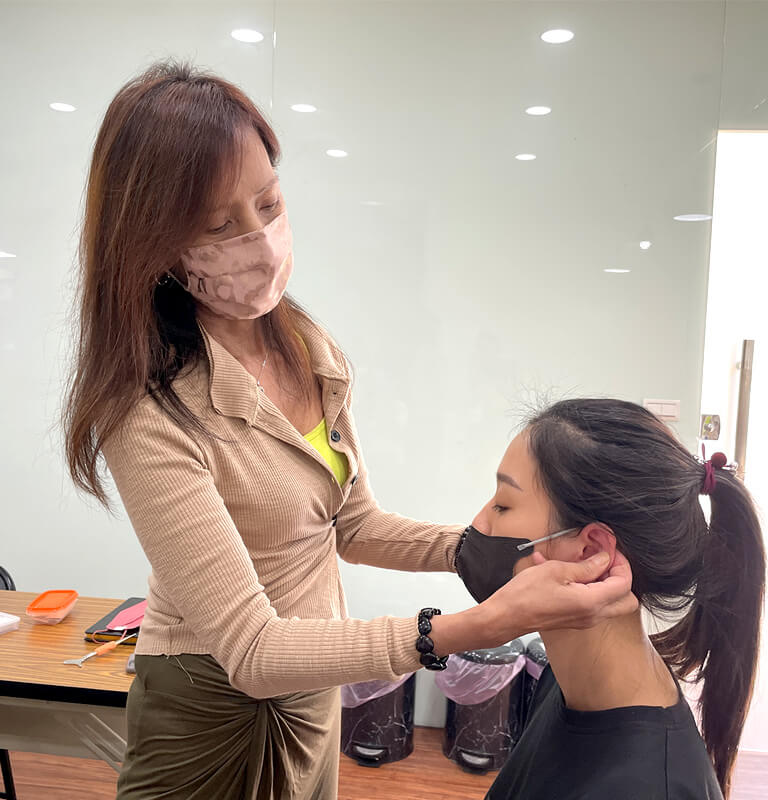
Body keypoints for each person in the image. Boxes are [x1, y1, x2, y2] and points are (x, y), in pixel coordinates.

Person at [63, 61, 635, 800]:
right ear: (154, 243)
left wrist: (476, 549)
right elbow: (253, 650)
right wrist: (479, 625)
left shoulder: (304, 347)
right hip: (210, 704)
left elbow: (352, 526)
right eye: (219, 225)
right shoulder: (147, 410)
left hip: (311, 681)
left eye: (268, 202)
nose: (259, 238)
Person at [463, 399, 765, 800]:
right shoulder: (566, 678)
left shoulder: (647, 788)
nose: (478, 522)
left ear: (591, 552)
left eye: (502, 505)